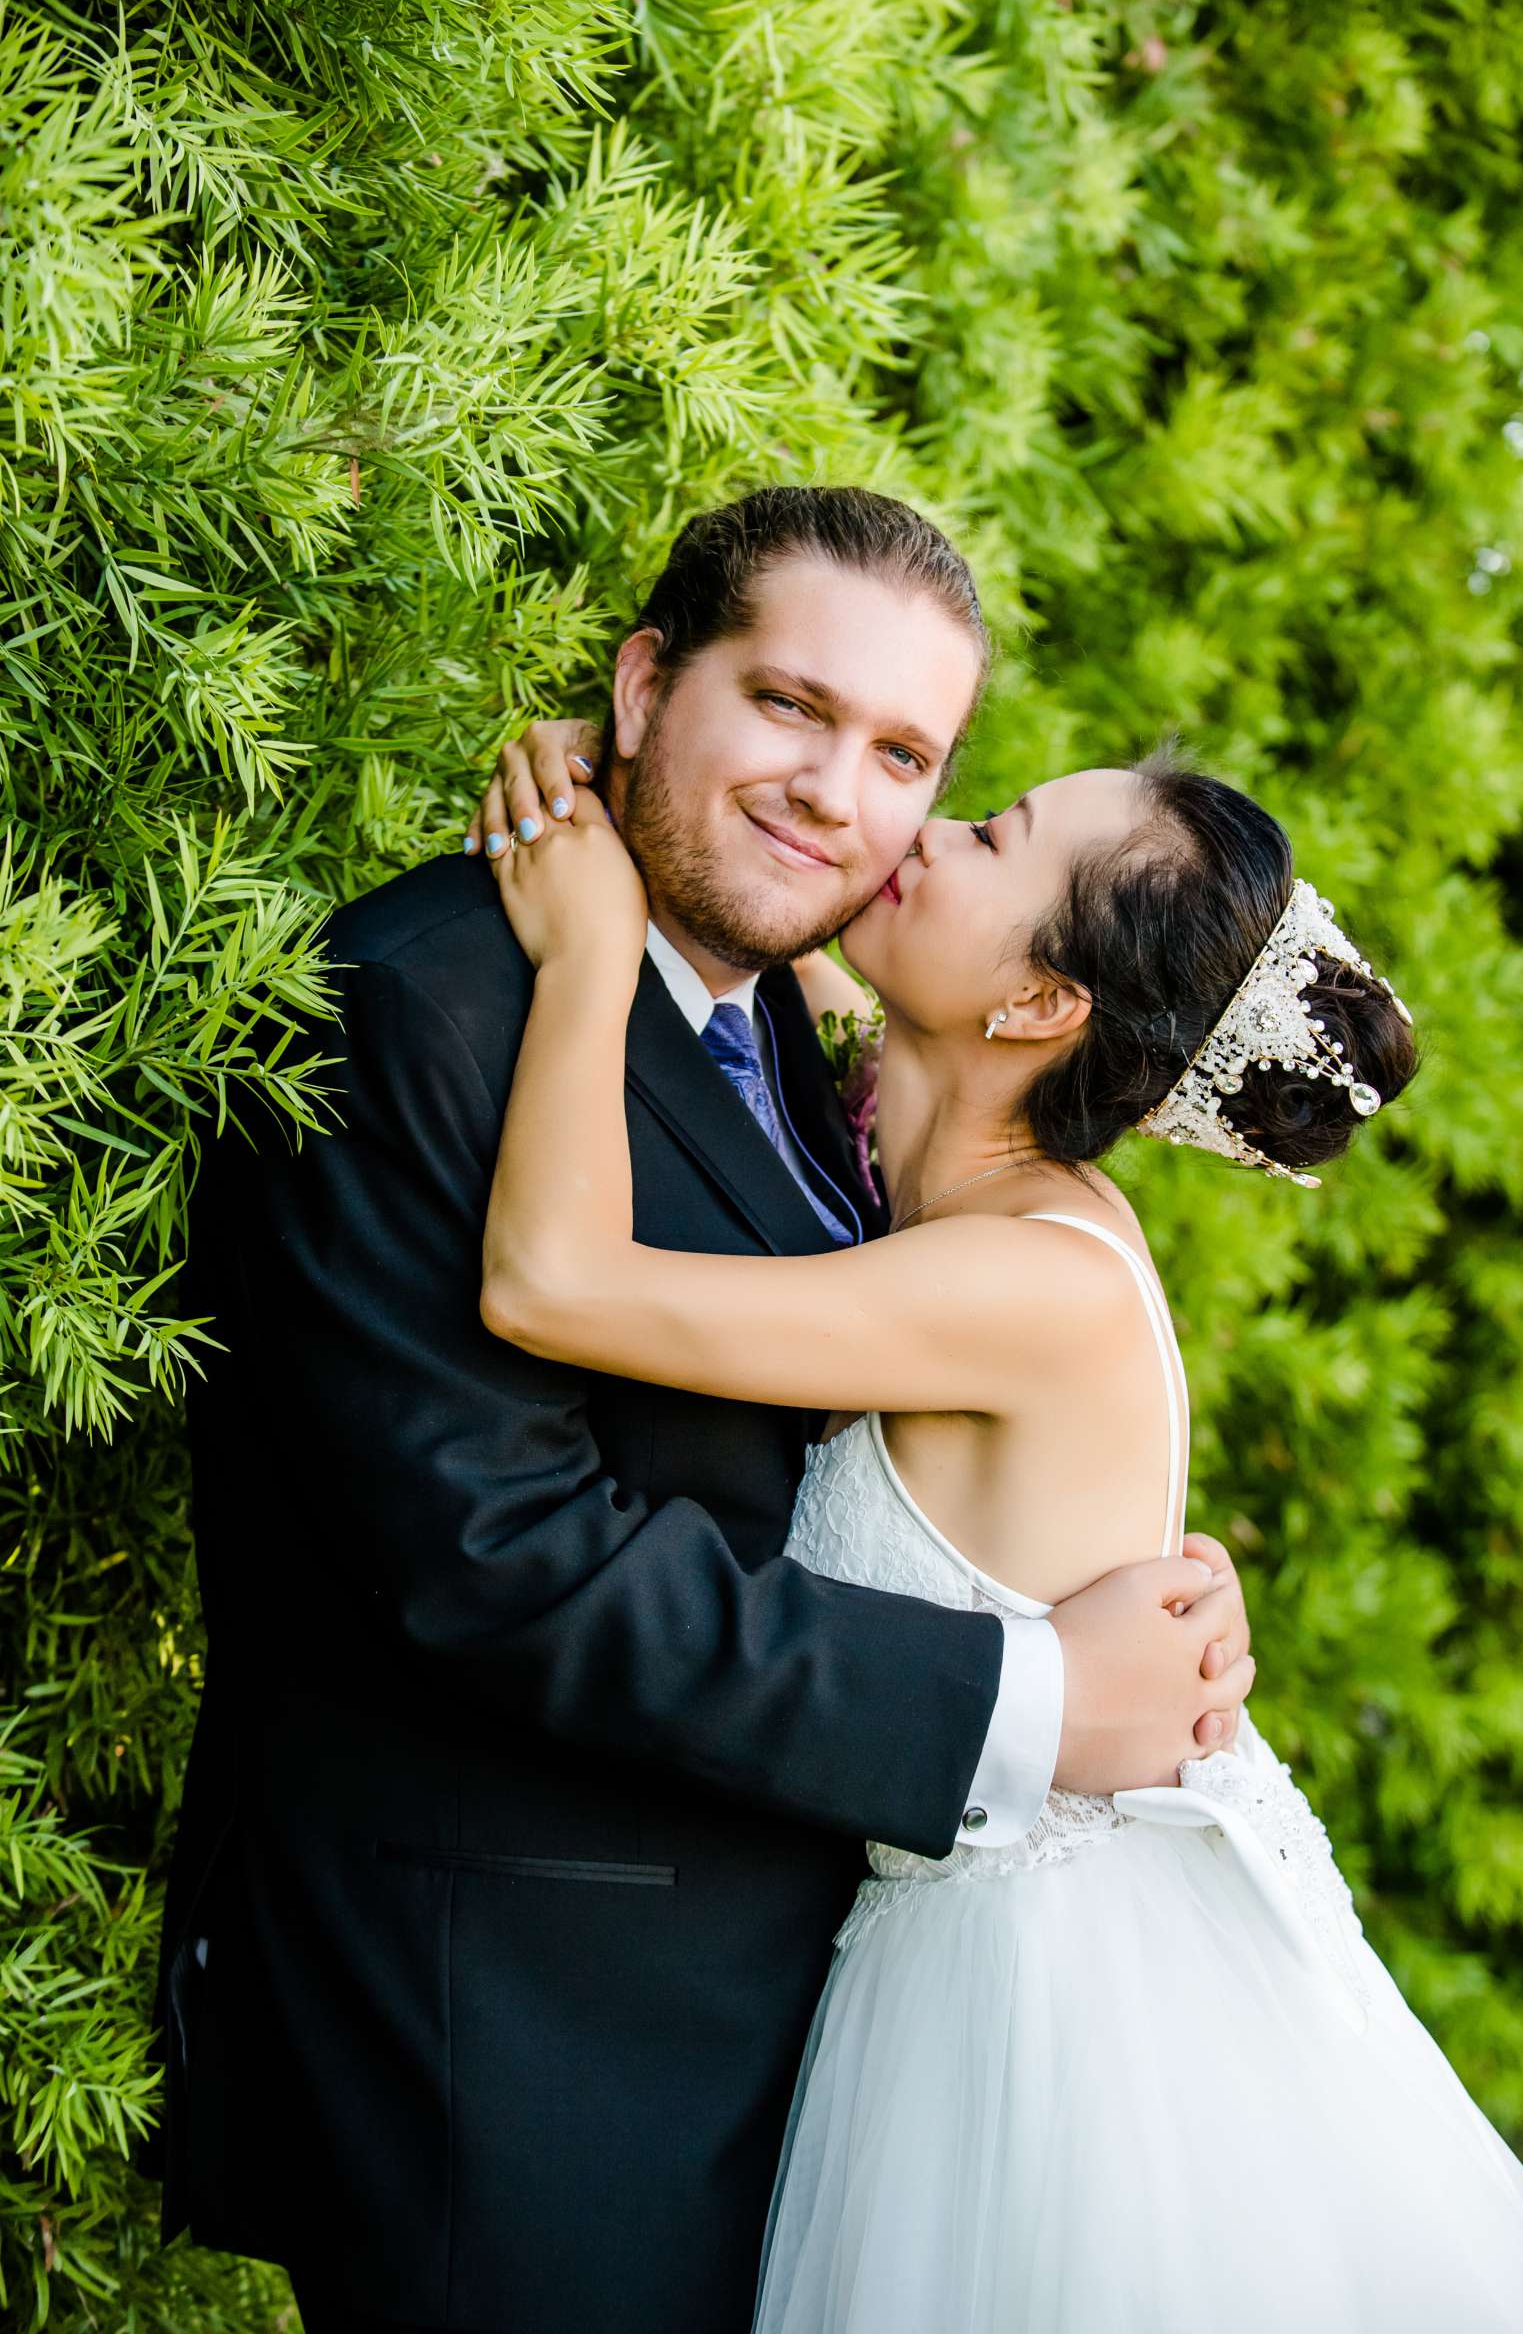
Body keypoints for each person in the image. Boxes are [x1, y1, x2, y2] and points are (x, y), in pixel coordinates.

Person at [146, 488, 1254, 2334]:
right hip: (508, 2042)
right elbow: (500, 1565)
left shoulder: (796, 1050)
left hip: (769, 2042)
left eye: (908, 756)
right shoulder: (413, 1010)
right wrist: (1033, 1696)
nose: (838, 794)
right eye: (789, 707)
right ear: (647, 683)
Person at [477, 730, 1523, 2332]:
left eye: (991, 837)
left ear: (1035, 1008)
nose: (922, 832)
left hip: (1052, 2022)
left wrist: (587, 947)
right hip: (934, 1959)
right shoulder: (912, 1145)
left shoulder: (1027, 1278)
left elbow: (550, 1287)